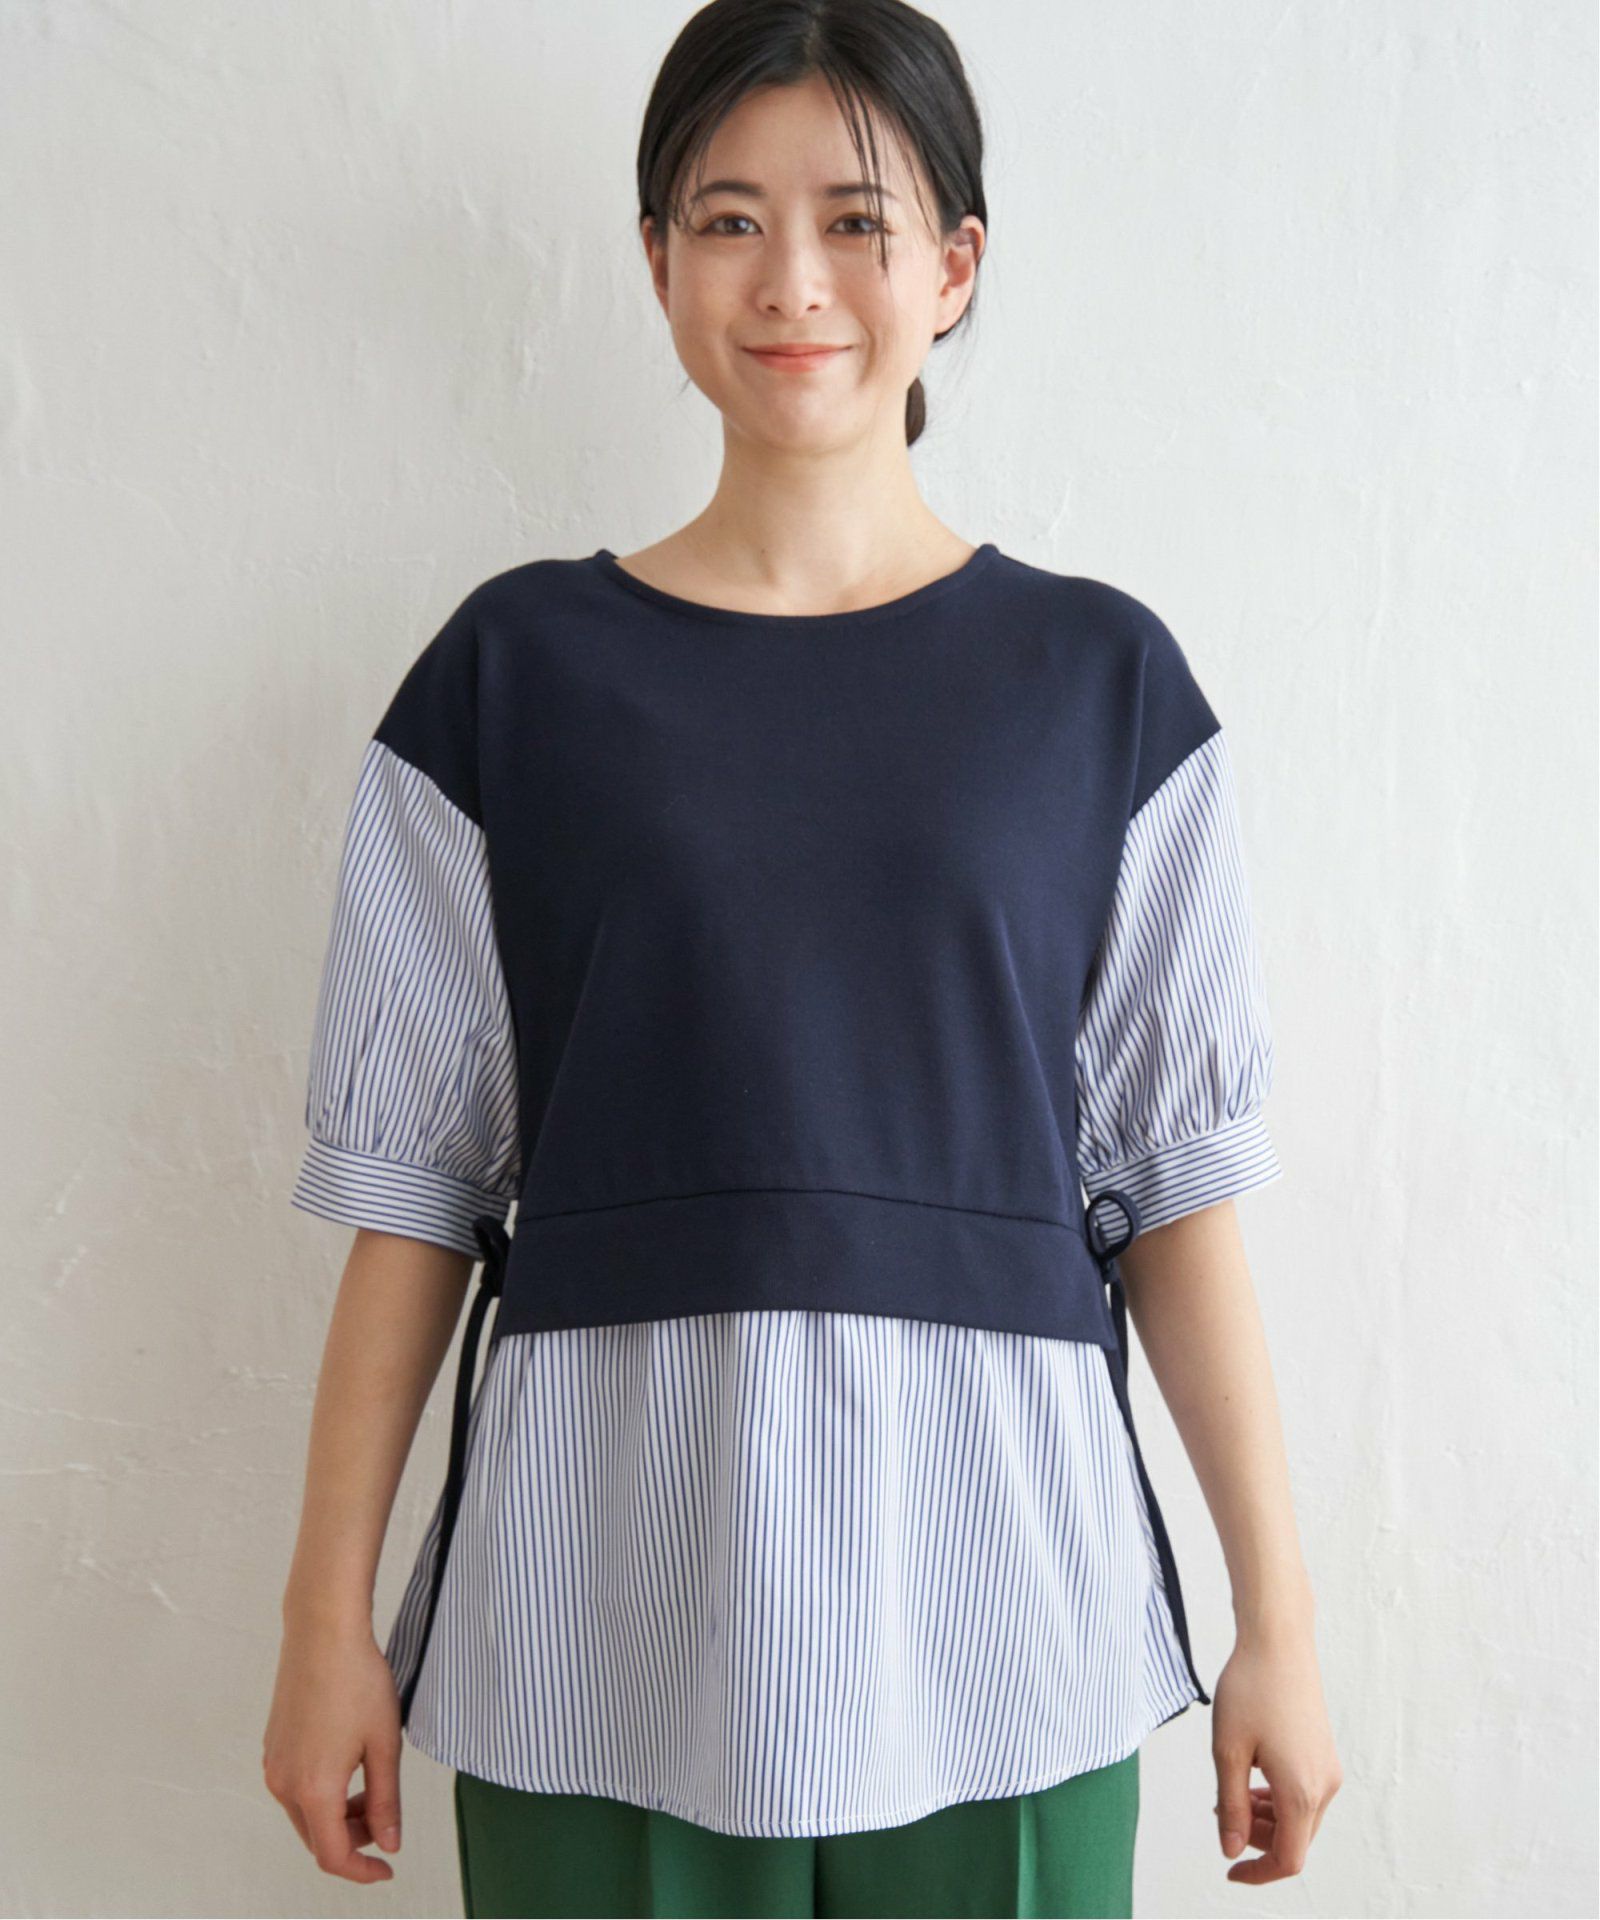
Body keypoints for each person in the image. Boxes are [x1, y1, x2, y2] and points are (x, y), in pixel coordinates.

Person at [262, 2, 1342, 1913]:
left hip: (1006, 1601)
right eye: (729, 219)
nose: (793, 282)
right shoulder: (510, 680)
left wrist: (1281, 1622)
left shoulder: (1101, 687)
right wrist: (321, 1619)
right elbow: (414, 1189)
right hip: (598, 1599)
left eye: (857, 219)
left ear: (955, 266)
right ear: (658, 260)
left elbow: (1176, 1189)